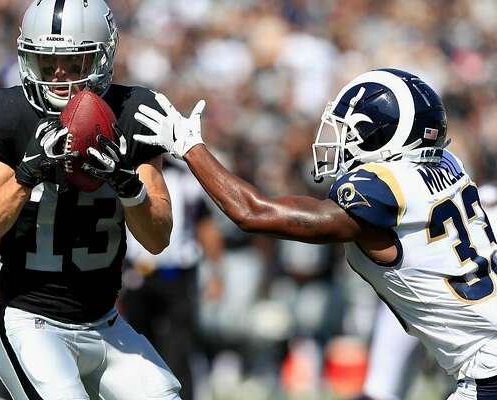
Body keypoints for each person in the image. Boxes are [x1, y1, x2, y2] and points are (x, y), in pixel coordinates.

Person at [134, 68, 497, 400]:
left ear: (381, 136)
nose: (340, 139)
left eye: (352, 130)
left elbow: (252, 213)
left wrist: (190, 148)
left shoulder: (384, 190)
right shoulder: (448, 165)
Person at [0, 1, 181, 399]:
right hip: (29, 319)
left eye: (73, 63)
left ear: (103, 57)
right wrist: (27, 173)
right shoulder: (5, 115)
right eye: (45, 63)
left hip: (106, 321)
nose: (58, 76)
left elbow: (158, 236)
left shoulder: (133, 111)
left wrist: (127, 184)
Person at [122, 159, 224, 400]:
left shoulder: (186, 179)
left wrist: (216, 272)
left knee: (177, 348)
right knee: (138, 348)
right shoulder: (127, 172)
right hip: (138, 276)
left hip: (177, 277)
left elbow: (205, 225)